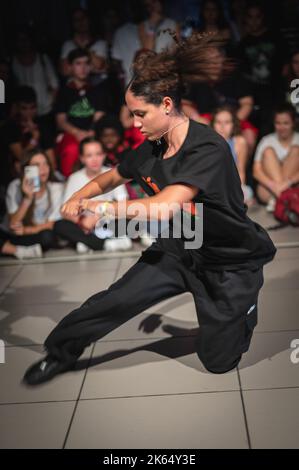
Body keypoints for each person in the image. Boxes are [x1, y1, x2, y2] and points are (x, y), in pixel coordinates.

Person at [23, 33, 276, 386]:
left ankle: (243, 313)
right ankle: (61, 352)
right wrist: (79, 195)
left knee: (218, 361)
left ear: (167, 105)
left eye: (140, 114)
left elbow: (162, 207)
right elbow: (112, 176)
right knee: (114, 300)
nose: (135, 123)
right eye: (132, 114)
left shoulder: (207, 149)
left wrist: (103, 208)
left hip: (229, 261)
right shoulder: (151, 148)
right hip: (181, 245)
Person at [55, 137, 132, 253]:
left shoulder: (113, 173)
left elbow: (123, 204)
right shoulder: (74, 178)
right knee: (60, 226)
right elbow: (65, 210)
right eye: (89, 155)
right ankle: (105, 243)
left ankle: (89, 243)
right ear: (82, 158)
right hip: (84, 226)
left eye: (98, 154)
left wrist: (98, 218)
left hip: (108, 221)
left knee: (131, 219)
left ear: (104, 155)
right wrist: (81, 221)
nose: (94, 159)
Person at [55, 48, 108, 177]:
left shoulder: (97, 90)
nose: (83, 68)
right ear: (70, 67)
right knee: (71, 149)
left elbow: (99, 116)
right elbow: (61, 121)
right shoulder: (64, 91)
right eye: (78, 63)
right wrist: (77, 133)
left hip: (93, 132)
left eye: (86, 63)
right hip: (71, 133)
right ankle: (70, 185)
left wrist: (92, 131)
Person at [3, 148, 64, 255]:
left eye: (45, 164)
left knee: (48, 236)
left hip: (36, 233)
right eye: (36, 165)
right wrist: (27, 198)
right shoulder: (15, 186)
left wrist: (26, 230)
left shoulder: (56, 188)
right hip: (14, 235)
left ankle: (12, 249)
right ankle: (19, 250)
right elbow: (13, 224)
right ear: (26, 170)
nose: (43, 169)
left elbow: (52, 224)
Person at [253, 103, 299, 211]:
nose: (282, 127)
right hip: (271, 188)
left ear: (293, 123)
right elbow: (256, 171)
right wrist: (273, 186)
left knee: (296, 150)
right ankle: (286, 200)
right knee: (268, 151)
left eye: (286, 123)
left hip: (293, 184)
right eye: (278, 123)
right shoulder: (266, 140)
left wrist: (287, 183)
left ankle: (279, 202)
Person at [210, 105, 255, 206]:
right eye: (218, 122)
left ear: (233, 124)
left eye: (227, 122)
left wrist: (239, 191)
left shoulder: (239, 142)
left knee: (246, 192)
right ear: (213, 124)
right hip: (211, 186)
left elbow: (241, 171)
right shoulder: (207, 142)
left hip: (231, 186)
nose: (222, 127)